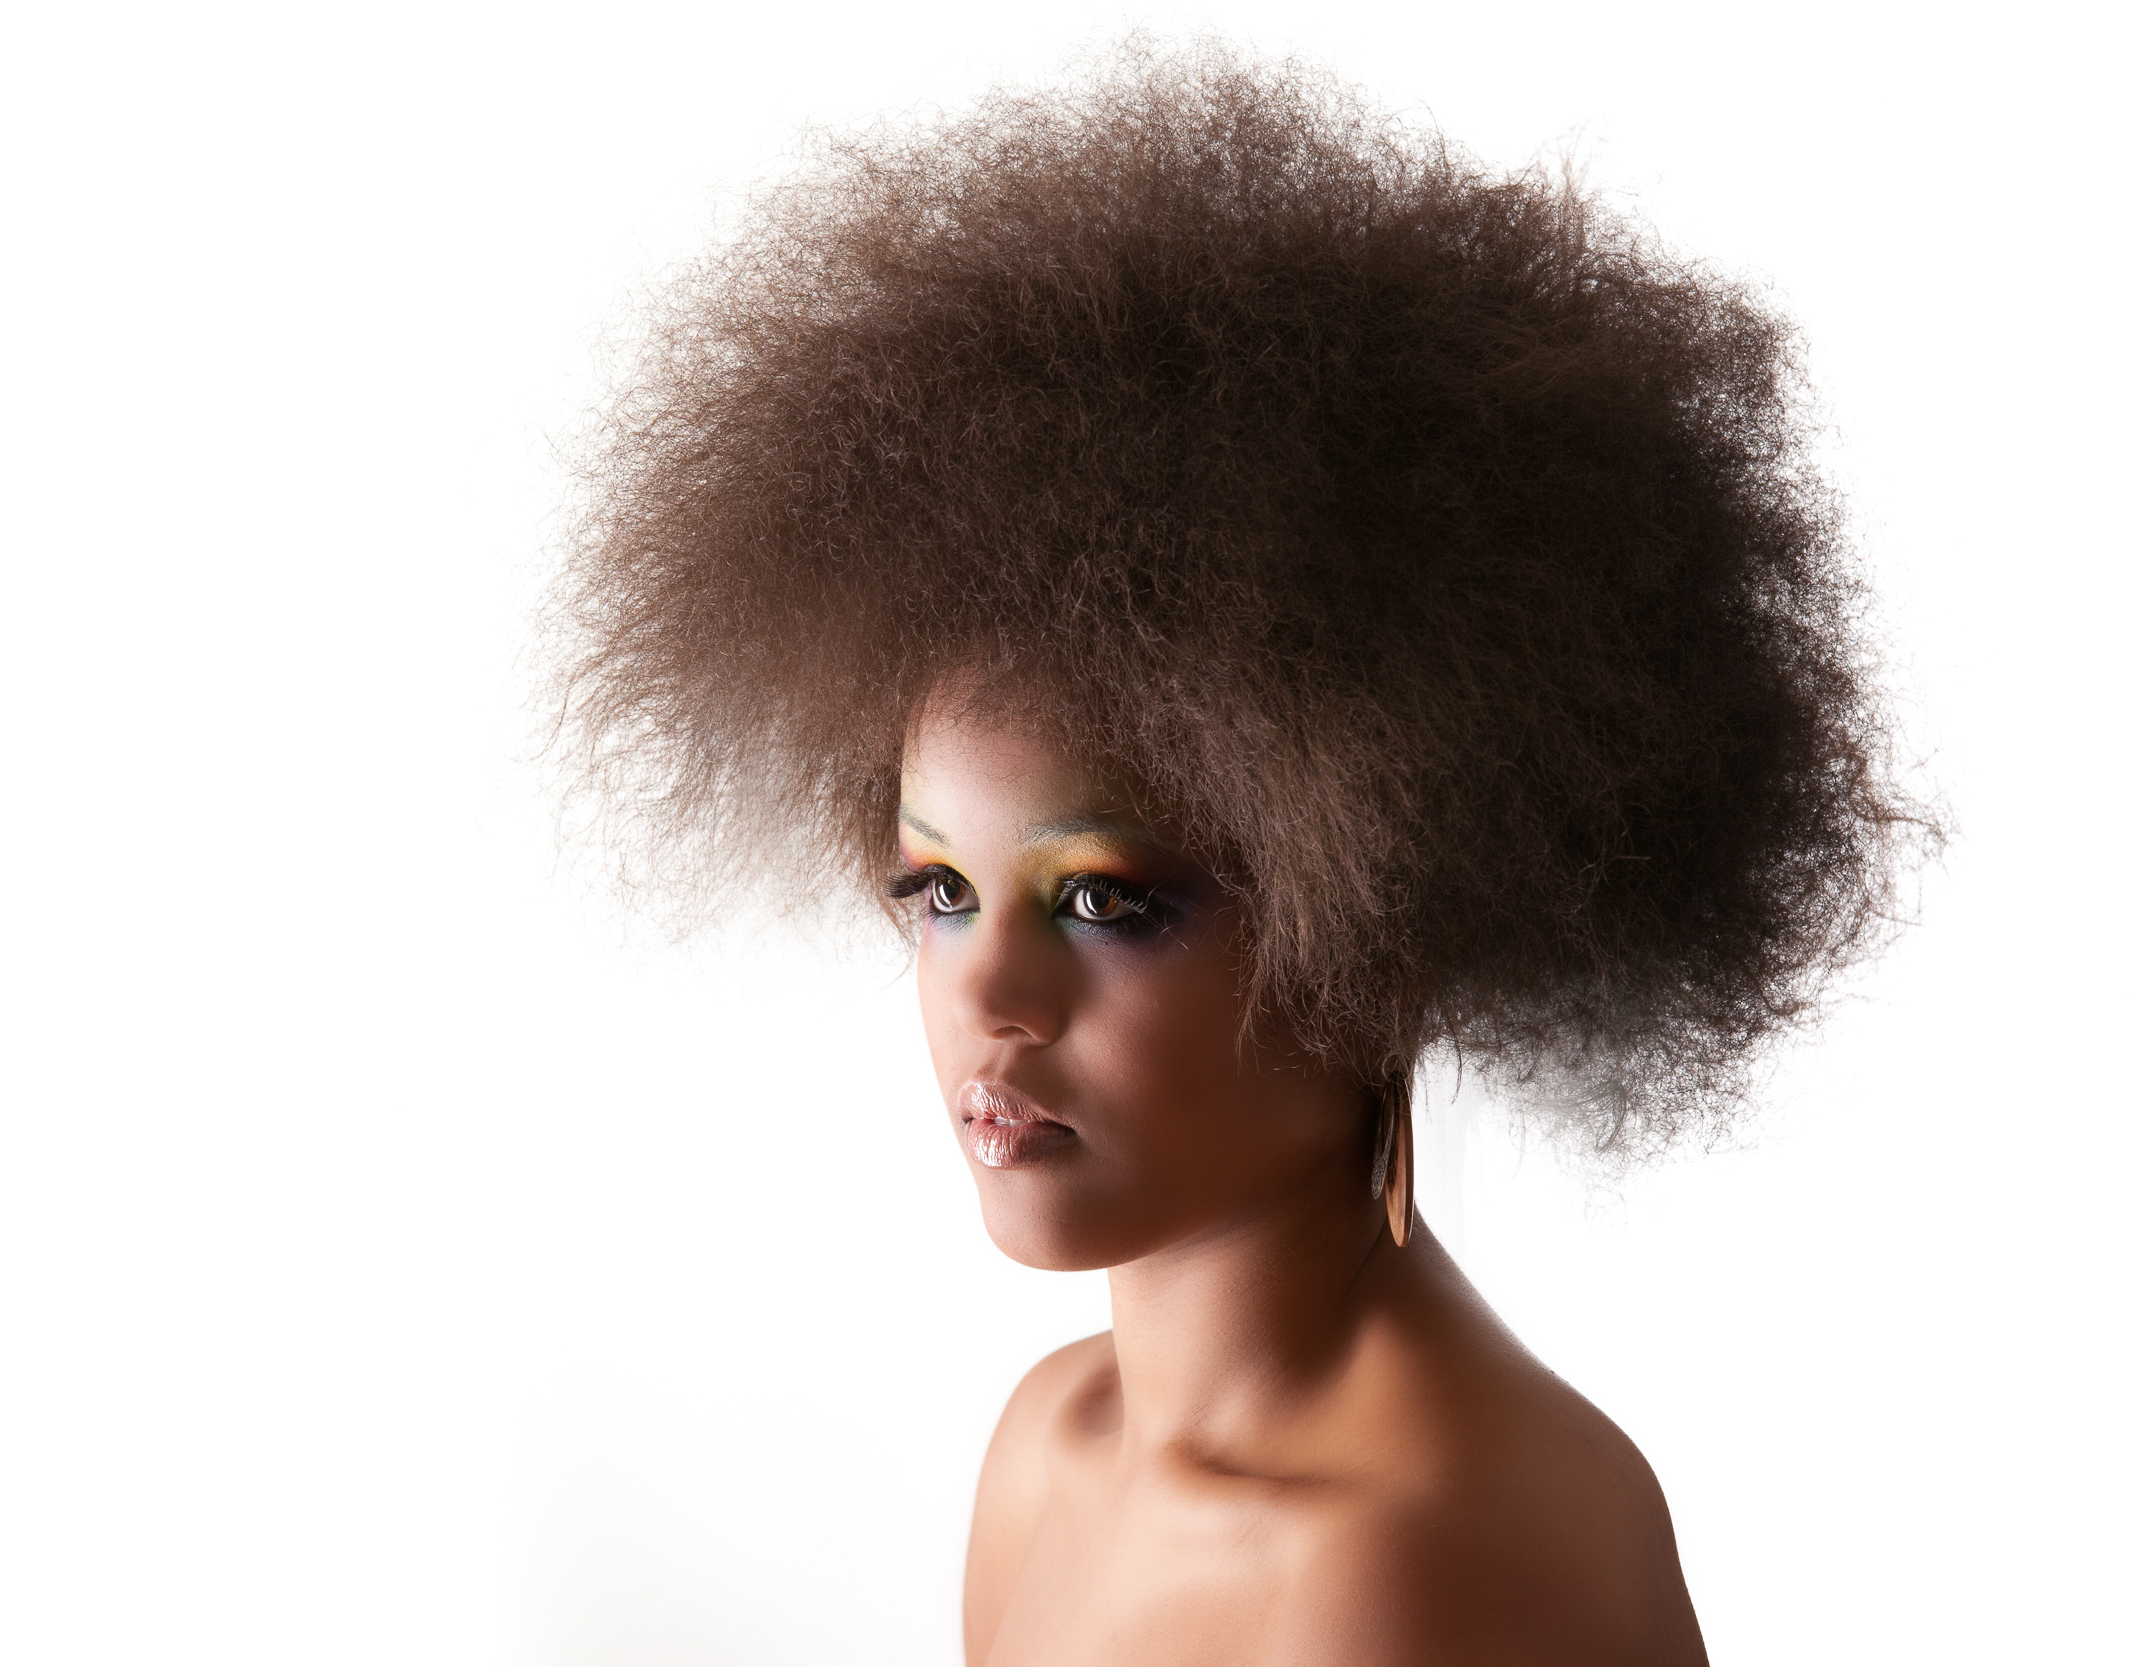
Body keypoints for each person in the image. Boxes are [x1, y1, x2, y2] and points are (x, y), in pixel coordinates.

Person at [547, 43, 1926, 1666]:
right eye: (940, 892)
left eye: (1104, 901)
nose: (988, 993)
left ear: (1387, 920)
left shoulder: (1403, 1563)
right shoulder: (1048, 1452)